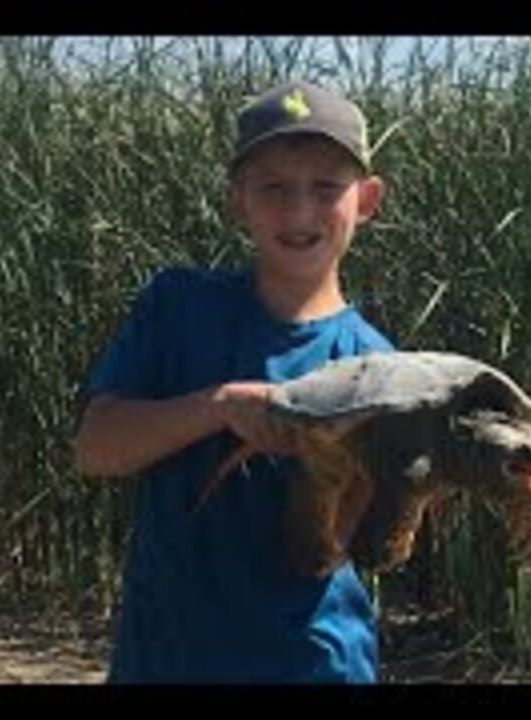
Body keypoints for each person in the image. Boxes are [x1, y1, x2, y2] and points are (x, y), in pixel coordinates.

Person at [72, 80, 395, 683]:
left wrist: (356, 477)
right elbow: (95, 450)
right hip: (168, 659)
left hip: (314, 662)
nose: (300, 211)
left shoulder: (378, 368)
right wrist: (218, 406)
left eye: (326, 187)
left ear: (367, 199)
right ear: (237, 201)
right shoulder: (178, 306)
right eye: (274, 187)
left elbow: (348, 548)